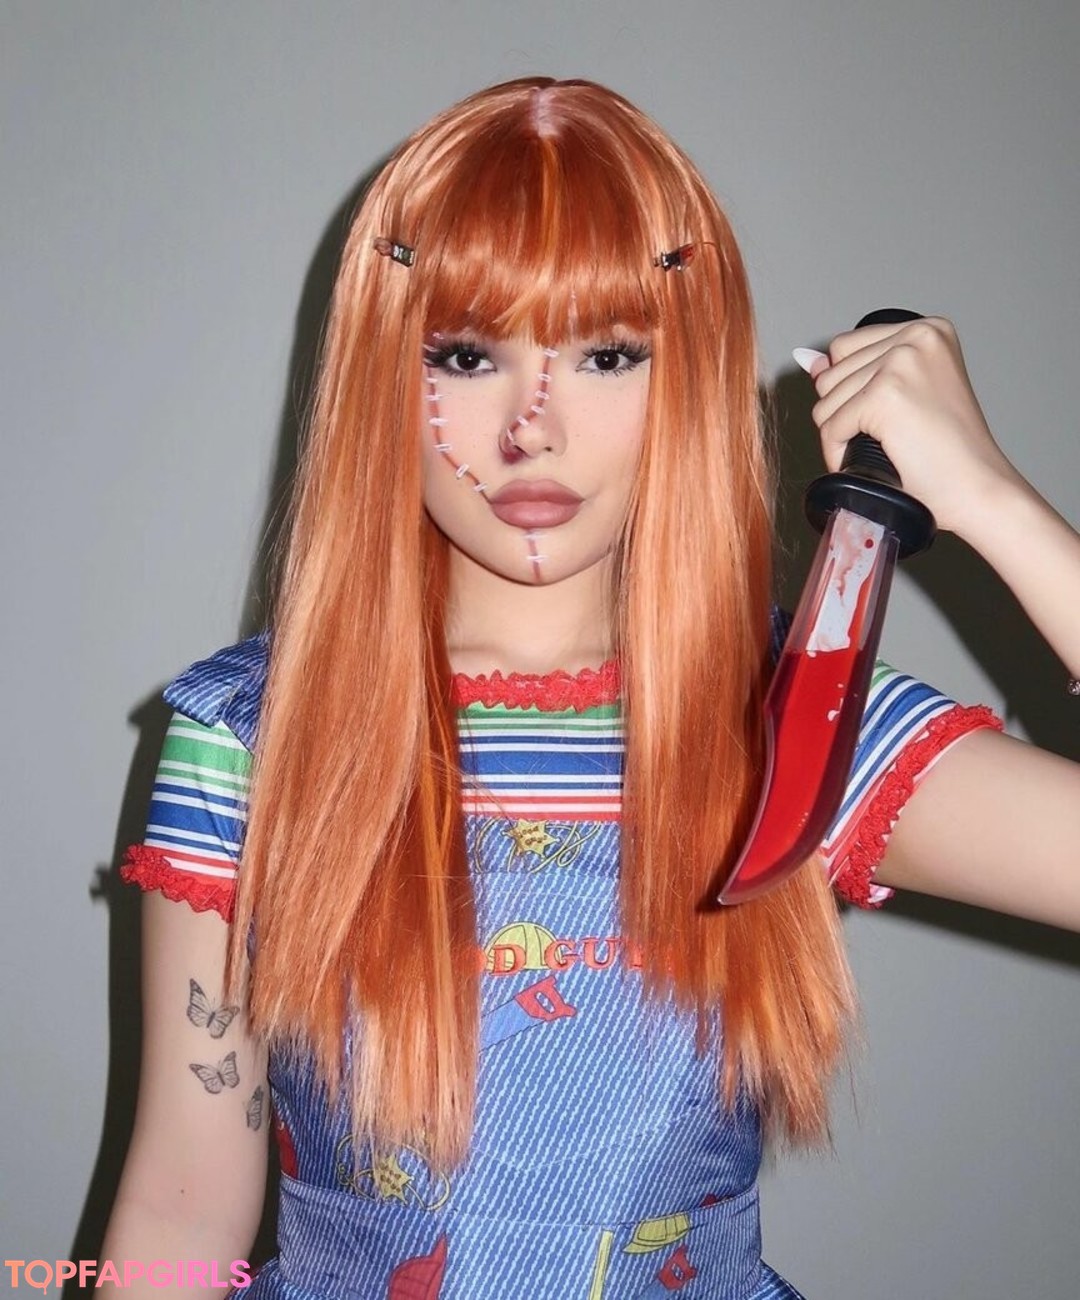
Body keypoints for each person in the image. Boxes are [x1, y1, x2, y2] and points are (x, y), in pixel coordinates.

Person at [101, 77, 1080, 1299]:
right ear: (380, 373)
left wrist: (993, 500)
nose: (534, 428)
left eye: (608, 354)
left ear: (691, 375)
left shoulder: (800, 721)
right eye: (467, 355)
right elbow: (181, 1205)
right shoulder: (252, 735)